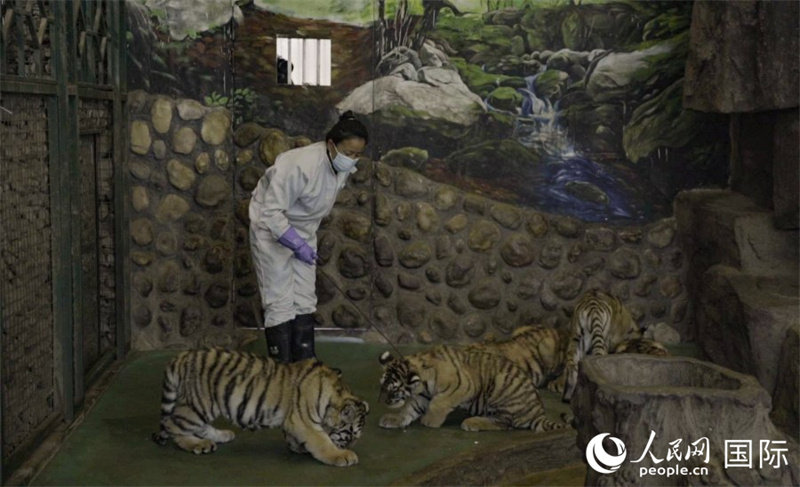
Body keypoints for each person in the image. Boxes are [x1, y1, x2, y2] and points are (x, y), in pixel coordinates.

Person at [248, 111, 368, 363]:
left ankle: (306, 365)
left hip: (304, 229)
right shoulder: (299, 164)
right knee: (279, 299)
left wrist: (301, 241)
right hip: (271, 226)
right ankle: (282, 370)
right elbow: (271, 212)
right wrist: (293, 242)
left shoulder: (341, 165)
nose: (352, 159)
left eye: (358, 154)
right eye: (348, 153)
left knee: (304, 297)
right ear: (331, 144)